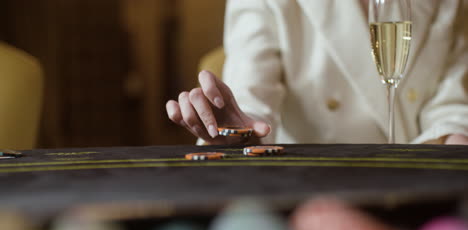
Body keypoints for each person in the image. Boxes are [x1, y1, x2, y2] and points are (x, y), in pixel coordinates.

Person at [166, 0, 468, 146]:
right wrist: (237, 127)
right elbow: (251, 97)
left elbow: (450, 99)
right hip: (313, 189)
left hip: (418, 186)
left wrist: (456, 139)